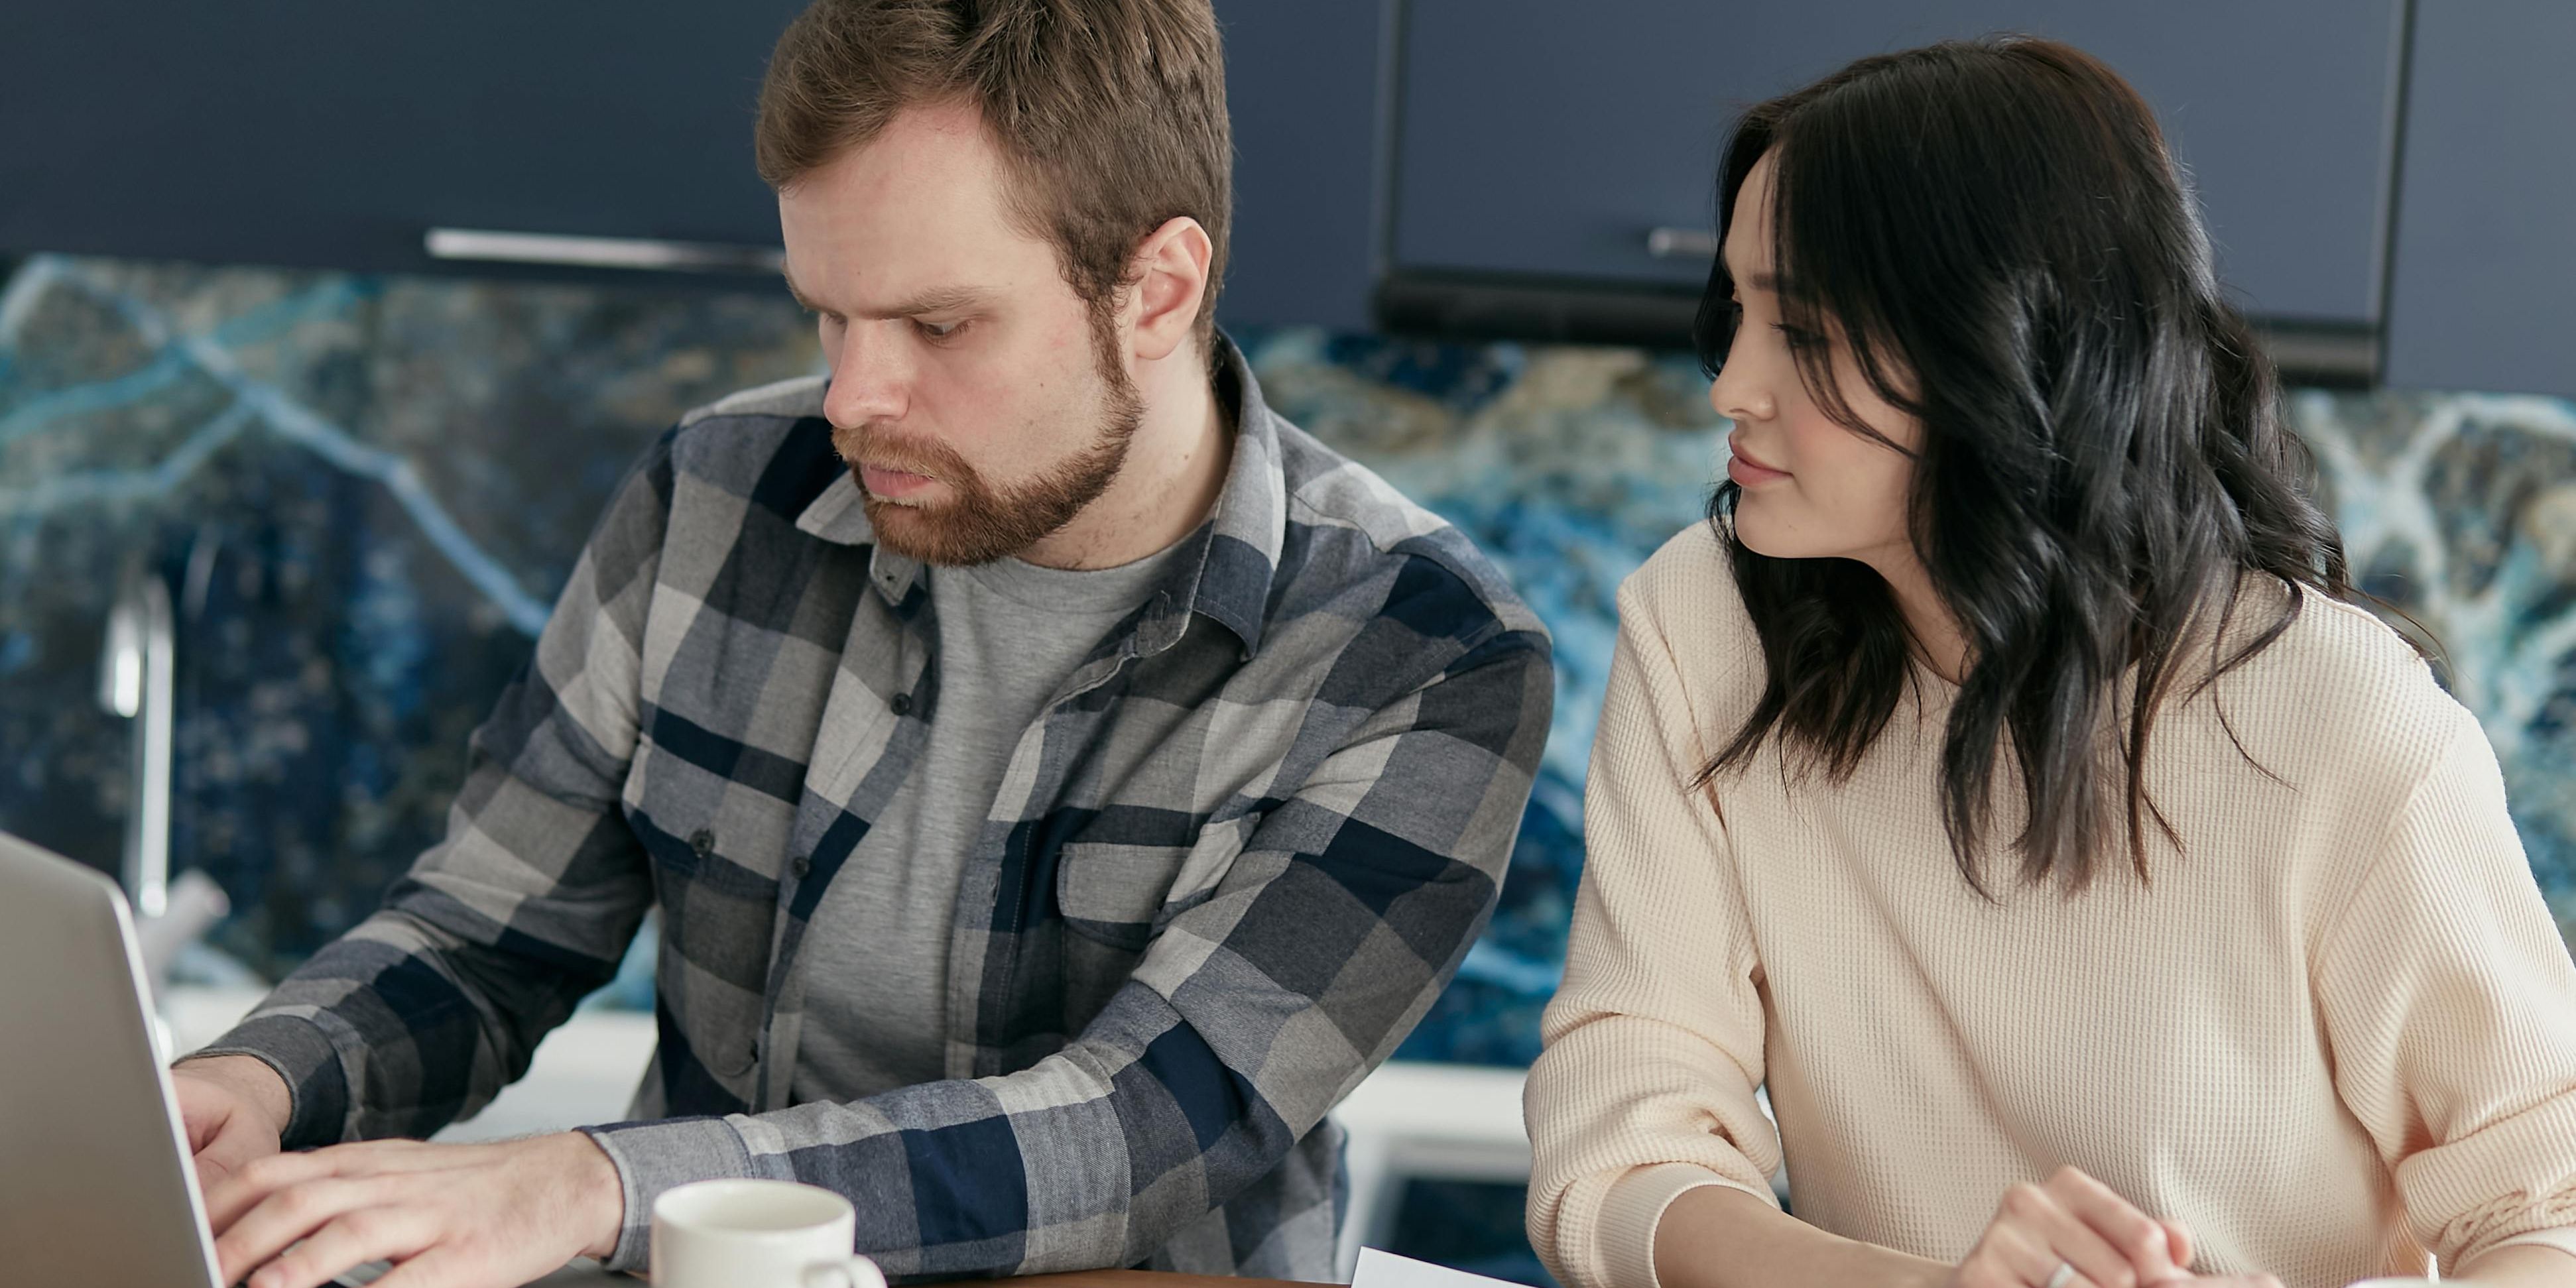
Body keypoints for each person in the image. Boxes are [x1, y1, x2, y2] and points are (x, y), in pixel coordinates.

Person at [170, 3, 1554, 1285]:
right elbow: (487, 933)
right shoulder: (716, 491)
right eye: (827, 314)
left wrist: (592, 1185)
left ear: (1156, 289)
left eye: (937, 324)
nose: (852, 397)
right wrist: (262, 1082)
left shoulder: (1423, 655)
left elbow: (1142, 1128)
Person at [1526, 36, 2576, 1288]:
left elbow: (2553, 1212)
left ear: (2004, 351)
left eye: (1801, 330)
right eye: (1737, 314)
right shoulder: (1703, 624)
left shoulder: (2341, 721)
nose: (1731, 388)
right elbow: (1618, 1142)